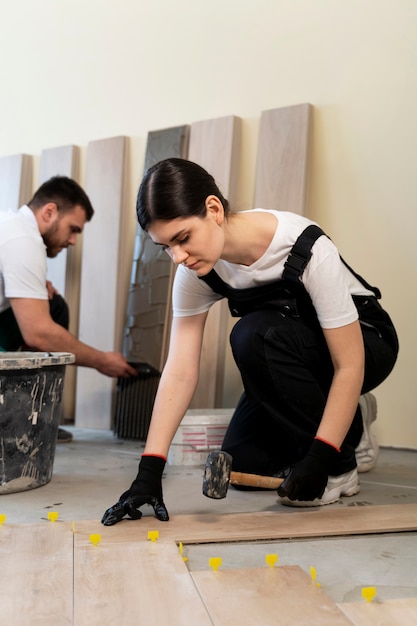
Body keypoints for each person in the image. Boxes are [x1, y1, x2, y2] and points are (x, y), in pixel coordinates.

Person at [101, 158, 398, 525]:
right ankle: (349, 421)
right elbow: (179, 371)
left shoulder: (304, 246)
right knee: (244, 462)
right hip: (292, 355)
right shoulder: (195, 272)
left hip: (366, 345)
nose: (177, 257)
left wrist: (321, 460)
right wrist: (149, 471)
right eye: (165, 247)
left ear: (213, 209)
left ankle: (342, 462)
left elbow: (349, 364)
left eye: (182, 238)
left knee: (253, 334)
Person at [0, 176, 136, 442]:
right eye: (73, 229)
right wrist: (102, 361)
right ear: (49, 211)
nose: (73, 240)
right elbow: (38, 334)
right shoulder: (23, 241)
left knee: (54, 306)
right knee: (47, 323)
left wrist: (37, 289)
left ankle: (35, 417)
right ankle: (25, 424)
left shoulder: (11, 226)